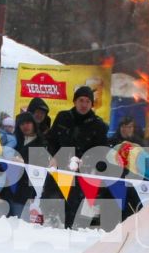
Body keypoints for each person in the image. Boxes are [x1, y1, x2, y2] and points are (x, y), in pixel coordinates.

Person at [45, 86, 110, 230]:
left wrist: (91, 163)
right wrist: (53, 156)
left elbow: (102, 151)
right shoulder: (63, 117)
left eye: (88, 101)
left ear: (92, 104)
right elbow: (51, 140)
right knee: (50, 205)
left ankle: (69, 235)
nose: (84, 104)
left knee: (73, 211)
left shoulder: (98, 125)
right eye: (81, 100)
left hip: (82, 174)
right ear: (75, 101)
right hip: (59, 169)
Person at [2, 114, 45, 220]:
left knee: (22, 223)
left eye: (28, 123)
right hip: (8, 187)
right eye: (22, 124)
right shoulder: (14, 141)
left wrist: (24, 162)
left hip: (27, 190)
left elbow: (42, 166)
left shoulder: (43, 142)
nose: (25, 126)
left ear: (34, 124)